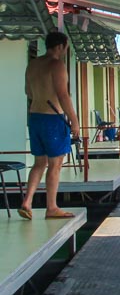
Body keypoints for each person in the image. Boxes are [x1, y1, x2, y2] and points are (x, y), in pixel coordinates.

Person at [19, 31, 81, 220]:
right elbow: (63, 94)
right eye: (66, 48)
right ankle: (52, 207)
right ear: (61, 46)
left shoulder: (33, 64)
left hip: (35, 117)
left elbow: (28, 91)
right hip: (52, 118)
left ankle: (27, 202)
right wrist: (75, 121)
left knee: (39, 162)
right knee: (55, 164)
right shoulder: (57, 65)